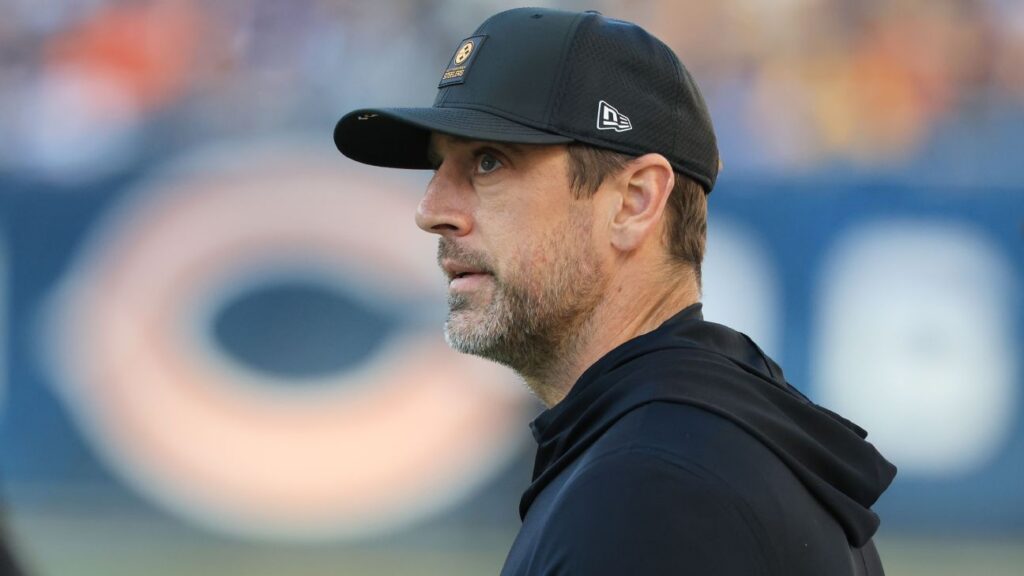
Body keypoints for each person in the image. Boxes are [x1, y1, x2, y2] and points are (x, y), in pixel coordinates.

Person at [333, 7, 896, 576]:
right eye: (438, 166)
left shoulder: (649, 489)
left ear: (634, 202)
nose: (431, 210)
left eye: (488, 162)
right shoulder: (704, 443)